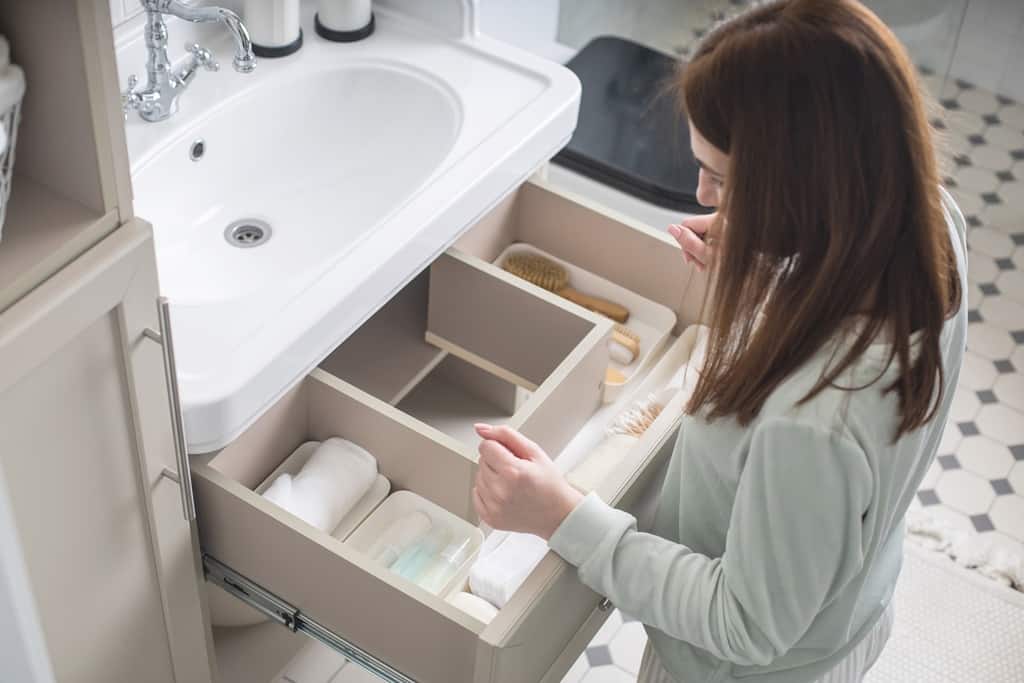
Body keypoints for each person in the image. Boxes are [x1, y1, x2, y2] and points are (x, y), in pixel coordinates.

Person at [470, 1, 967, 681]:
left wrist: (563, 516)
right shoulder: (931, 226)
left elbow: (745, 620)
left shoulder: (813, 419)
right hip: (847, 614)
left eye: (727, 179)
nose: (701, 193)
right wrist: (783, 261)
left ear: (806, 186)